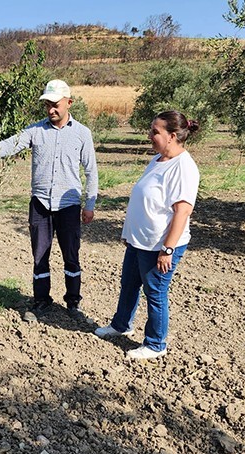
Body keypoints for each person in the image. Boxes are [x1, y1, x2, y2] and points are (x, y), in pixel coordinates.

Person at [0, 79, 98, 322]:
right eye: (47, 106)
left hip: (68, 205)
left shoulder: (82, 133)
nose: (51, 110)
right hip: (40, 204)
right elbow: (11, 145)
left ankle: (73, 303)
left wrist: (90, 205)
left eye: (55, 105)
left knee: (71, 256)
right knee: (40, 255)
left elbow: (90, 170)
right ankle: (41, 301)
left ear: (68, 103)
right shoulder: (35, 131)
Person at [94, 111, 200, 360]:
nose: (149, 135)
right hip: (139, 241)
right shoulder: (158, 159)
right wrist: (129, 232)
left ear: (172, 136)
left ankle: (155, 344)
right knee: (129, 286)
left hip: (159, 246)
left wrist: (168, 249)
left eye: (155, 132)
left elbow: (182, 212)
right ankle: (121, 325)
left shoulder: (184, 167)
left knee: (155, 293)